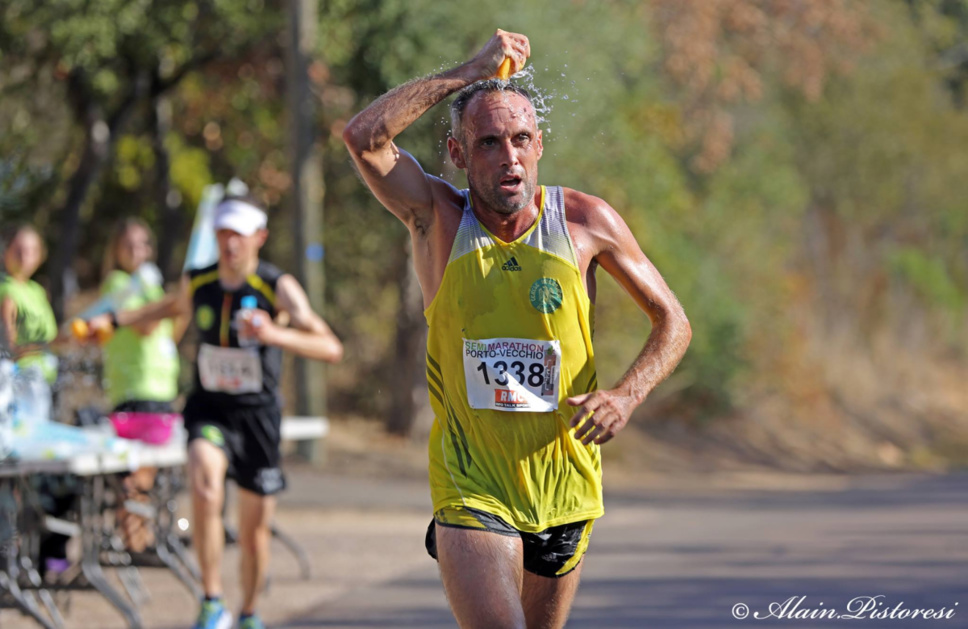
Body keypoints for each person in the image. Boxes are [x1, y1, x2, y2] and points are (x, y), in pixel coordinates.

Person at [343, 29, 692, 629]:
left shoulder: (585, 222)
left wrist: (625, 396)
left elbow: (673, 322)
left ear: (538, 146)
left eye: (521, 140)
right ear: (457, 152)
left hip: (565, 484)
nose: (509, 158)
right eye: (489, 143)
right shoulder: (437, 219)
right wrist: (469, 73)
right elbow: (364, 138)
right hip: (471, 482)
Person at [88, 195, 343, 629]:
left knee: (252, 533)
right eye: (222, 234)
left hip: (258, 415)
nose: (229, 245)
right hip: (209, 408)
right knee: (204, 486)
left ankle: (248, 612)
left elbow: (330, 347)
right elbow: (168, 307)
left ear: (258, 238)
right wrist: (114, 321)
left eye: (238, 236)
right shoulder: (199, 279)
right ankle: (210, 600)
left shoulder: (275, 286)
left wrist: (274, 335)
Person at [100, 218, 182, 552]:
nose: (137, 252)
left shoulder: (150, 287)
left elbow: (169, 333)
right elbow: (145, 327)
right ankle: (135, 544)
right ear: (117, 250)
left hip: (160, 390)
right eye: (128, 245)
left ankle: (141, 542)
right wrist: (173, 301)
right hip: (135, 391)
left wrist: (180, 303)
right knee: (135, 478)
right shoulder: (120, 285)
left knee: (145, 476)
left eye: (142, 244)